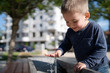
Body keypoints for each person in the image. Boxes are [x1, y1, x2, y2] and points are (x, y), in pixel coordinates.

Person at [45, 0, 109, 73]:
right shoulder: (70, 31)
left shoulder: (94, 28)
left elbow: (101, 49)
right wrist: (60, 51)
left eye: (75, 21)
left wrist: (87, 62)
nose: (71, 25)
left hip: (100, 67)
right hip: (83, 66)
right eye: (67, 21)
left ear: (86, 16)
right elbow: (66, 44)